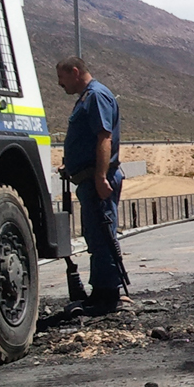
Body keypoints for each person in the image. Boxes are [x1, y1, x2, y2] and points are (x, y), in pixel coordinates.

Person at [57, 56, 128, 313]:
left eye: (61, 78)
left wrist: (99, 177)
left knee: (102, 235)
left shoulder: (96, 96)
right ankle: (101, 293)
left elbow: (104, 138)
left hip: (98, 179)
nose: (59, 84)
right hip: (88, 178)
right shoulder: (88, 97)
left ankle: (108, 296)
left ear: (75, 72)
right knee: (96, 236)